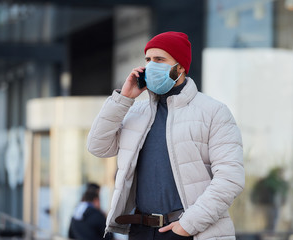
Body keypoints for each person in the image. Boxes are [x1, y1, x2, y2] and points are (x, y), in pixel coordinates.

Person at [87, 31, 245, 240]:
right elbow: (97, 146)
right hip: (141, 231)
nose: (151, 66)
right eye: (148, 60)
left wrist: (188, 225)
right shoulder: (135, 112)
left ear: (180, 67)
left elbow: (229, 179)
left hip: (191, 231)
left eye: (160, 59)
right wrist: (123, 99)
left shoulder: (214, 112)